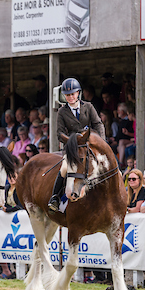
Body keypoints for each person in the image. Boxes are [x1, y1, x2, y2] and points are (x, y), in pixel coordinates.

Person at [48, 77, 106, 213]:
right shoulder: (62, 111)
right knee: (64, 168)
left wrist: (102, 141)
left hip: (89, 144)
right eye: (67, 95)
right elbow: (60, 133)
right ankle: (55, 197)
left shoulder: (88, 106)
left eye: (72, 94)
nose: (70, 97)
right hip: (72, 147)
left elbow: (98, 124)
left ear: (78, 93)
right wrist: (73, 142)